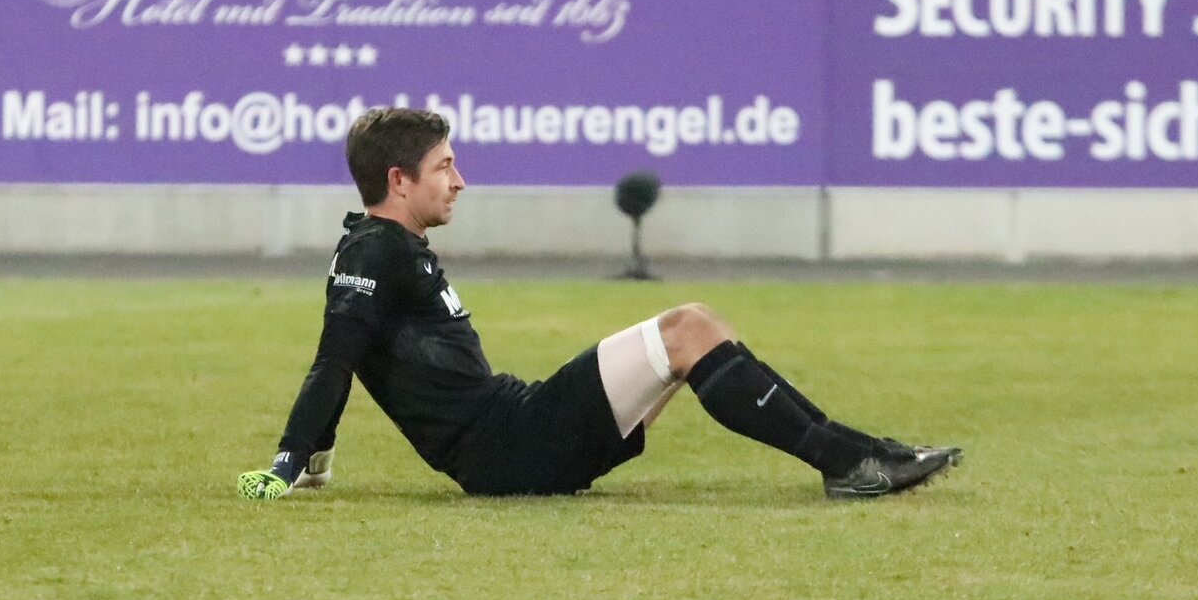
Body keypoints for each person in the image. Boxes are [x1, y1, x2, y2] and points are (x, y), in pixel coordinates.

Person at [237, 108, 962, 501]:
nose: (460, 181)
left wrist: (317, 458)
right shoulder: (372, 252)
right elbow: (334, 359)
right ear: (399, 181)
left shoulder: (385, 248)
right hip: (506, 450)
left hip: (513, 432)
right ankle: (853, 463)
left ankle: (863, 454)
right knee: (687, 329)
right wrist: (288, 462)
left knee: (701, 330)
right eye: (445, 166)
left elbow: (351, 354)